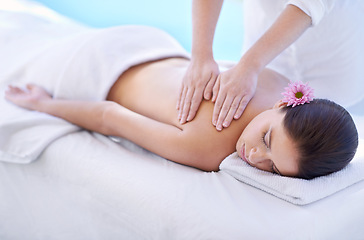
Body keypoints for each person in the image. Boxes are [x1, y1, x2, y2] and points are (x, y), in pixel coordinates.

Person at [5, 50, 358, 179]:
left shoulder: (277, 81)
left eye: (275, 168)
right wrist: (43, 104)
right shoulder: (206, 150)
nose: (253, 156)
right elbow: (108, 116)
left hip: (153, 44)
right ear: (284, 104)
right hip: (97, 68)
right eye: (267, 140)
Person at [177, 0, 364, 131]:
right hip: (265, 54)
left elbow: (309, 3)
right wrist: (201, 56)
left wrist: (249, 66)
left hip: (335, 60)